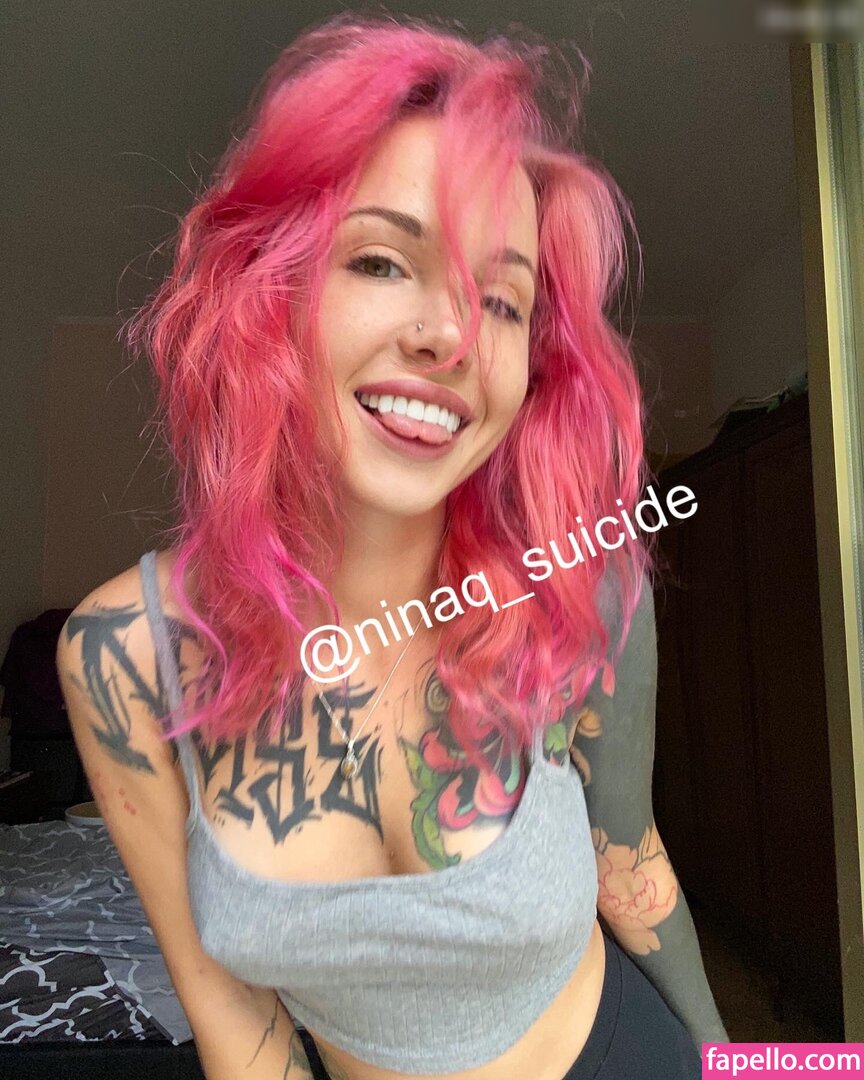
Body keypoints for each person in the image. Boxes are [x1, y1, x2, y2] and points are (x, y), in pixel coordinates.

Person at [57, 12, 728, 1080]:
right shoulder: (121, 658)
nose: (450, 336)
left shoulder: (578, 580)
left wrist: (739, 1065)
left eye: (500, 301)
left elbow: (628, 854)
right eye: (380, 260)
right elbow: (235, 1021)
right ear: (268, 289)